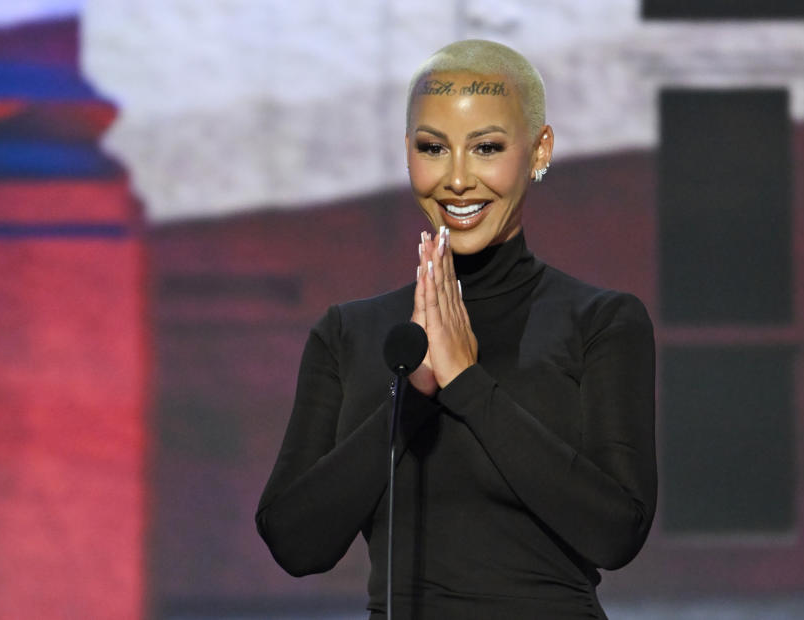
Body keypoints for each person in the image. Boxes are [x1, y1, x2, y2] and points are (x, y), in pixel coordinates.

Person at [256, 39, 656, 620]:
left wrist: (467, 381)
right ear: (408, 154)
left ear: (539, 150)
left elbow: (617, 532)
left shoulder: (600, 323)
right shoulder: (350, 333)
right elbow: (295, 544)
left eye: (488, 147)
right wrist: (412, 395)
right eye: (433, 148)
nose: (459, 179)